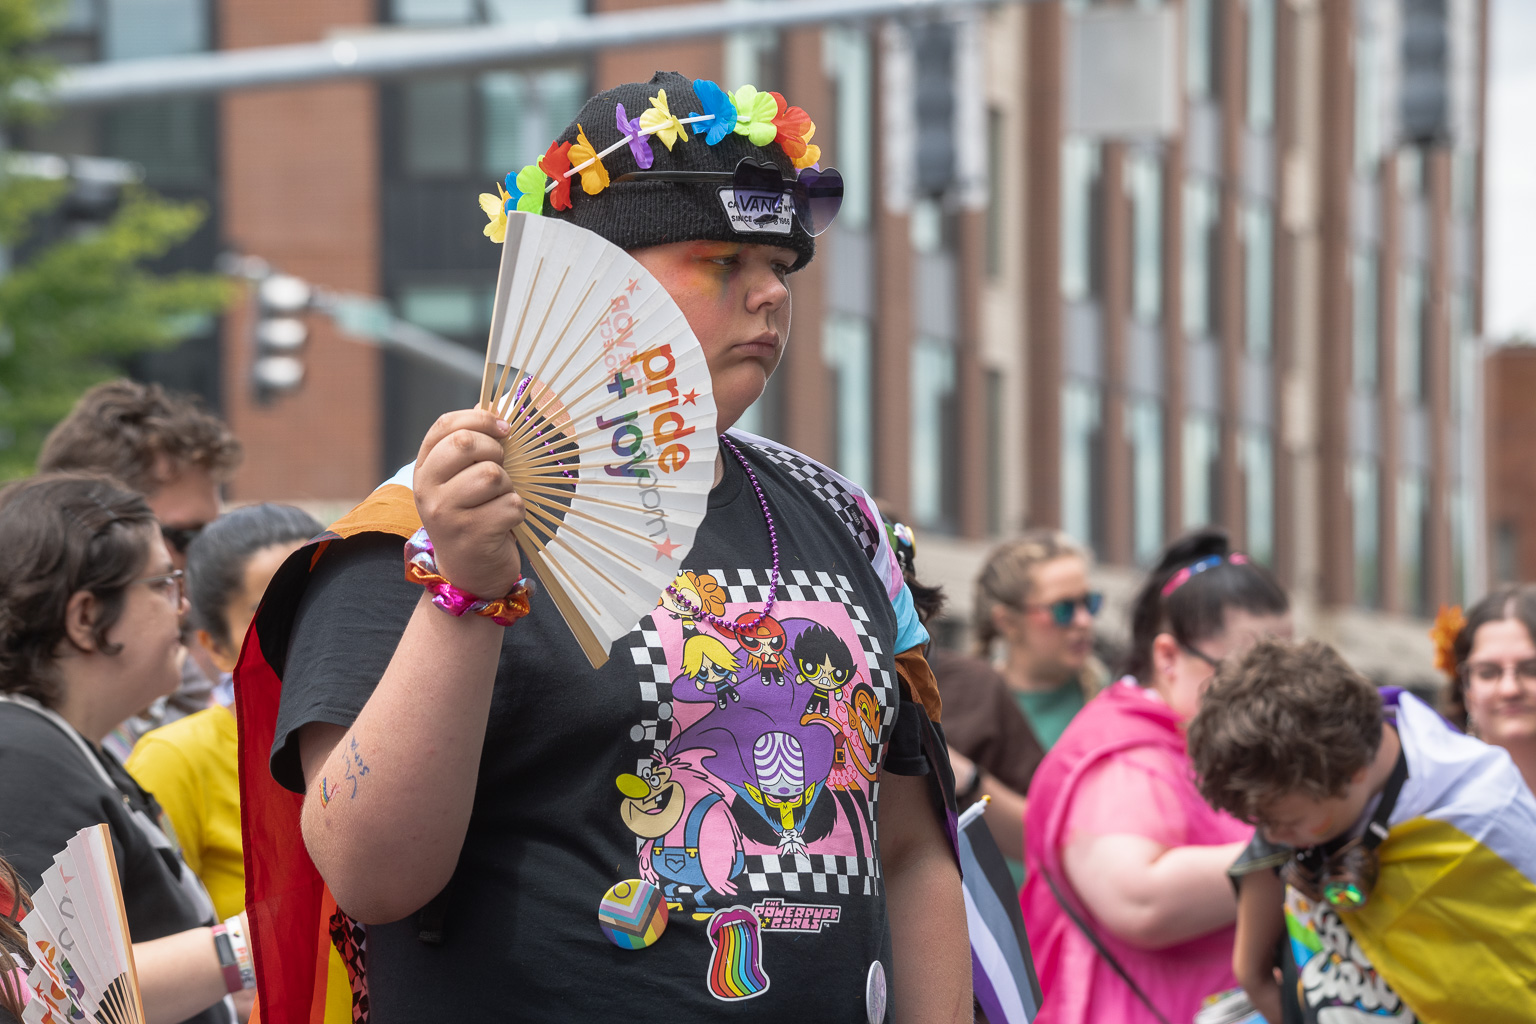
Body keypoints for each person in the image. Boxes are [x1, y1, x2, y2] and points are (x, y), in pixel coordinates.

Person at [238, 71, 970, 1024]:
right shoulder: (412, 529)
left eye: (782, 268)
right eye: (722, 260)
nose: (769, 296)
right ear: (595, 284)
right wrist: (464, 591)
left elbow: (909, 852)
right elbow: (372, 878)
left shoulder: (844, 518)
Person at [0, 474, 254, 1024]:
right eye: (164, 584)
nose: (183, 608)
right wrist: (257, 942)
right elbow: (48, 993)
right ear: (87, 618)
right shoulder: (21, 759)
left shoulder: (55, 746)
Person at [1020, 527, 1291, 1024]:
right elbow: (1140, 899)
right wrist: (1299, 842)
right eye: (1250, 670)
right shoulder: (1123, 753)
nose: (1275, 691)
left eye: (1285, 669)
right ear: (1168, 656)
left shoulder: (1192, 741)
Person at [1189, 637, 1536, 1022]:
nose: (1272, 838)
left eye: (1286, 823)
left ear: (1354, 770)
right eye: (1262, 823)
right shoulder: (1289, 777)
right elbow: (1251, 972)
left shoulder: (1482, 810)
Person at [37, 379, 243, 747]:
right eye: (187, 537)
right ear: (88, 534)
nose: (210, 559)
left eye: (216, 533)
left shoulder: (185, 685)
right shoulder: (31, 739)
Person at [972, 531, 1107, 752]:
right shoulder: (969, 708)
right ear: (1007, 622)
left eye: (1089, 602)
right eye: (1063, 609)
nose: (1084, 621)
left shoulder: (1113, 700)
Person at [1439, 586, 1536, 793]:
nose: (1510, 690)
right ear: (1465, 687)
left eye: (1531, 670)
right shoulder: (1434, 796)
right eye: (1487, 672)